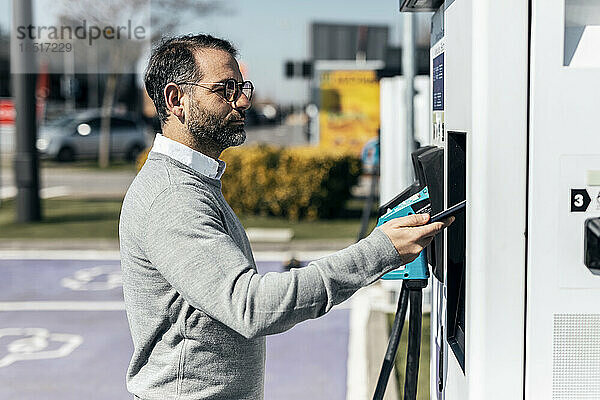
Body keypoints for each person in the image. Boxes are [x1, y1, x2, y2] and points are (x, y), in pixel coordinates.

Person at [119, 34, 452, 400]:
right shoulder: (173, 196)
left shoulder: (194, 181)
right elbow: (251, 306)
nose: (243, 99)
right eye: (225, 89)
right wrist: (380, 251)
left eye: (242, 86)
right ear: (176, 100)